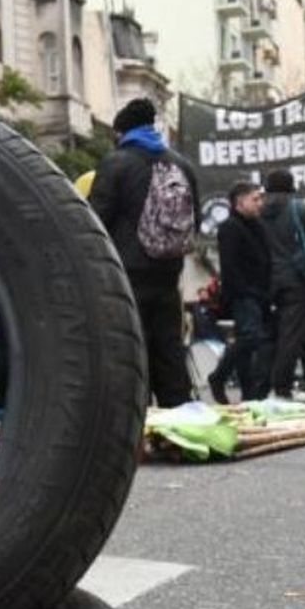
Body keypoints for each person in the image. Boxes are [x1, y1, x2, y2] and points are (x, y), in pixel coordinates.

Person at [88, 98, 200, 409]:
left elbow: (96, 220)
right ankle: (178, 412)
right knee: (168, 344)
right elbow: (196, 221)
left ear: (121, 131)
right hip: (168, 270)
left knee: (131, 343)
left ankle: (135, 413)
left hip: (127, 271)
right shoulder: (182, 165)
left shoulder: (116, 163)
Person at [260, 168, 305, 400]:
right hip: (297, 279)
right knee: (292, 334)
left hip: (267, 282)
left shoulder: (259, 211)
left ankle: (264, 384)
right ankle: (282, 387)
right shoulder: (299, 208)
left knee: (271, 335)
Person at [206, 181, 270, 403]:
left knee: (249, 341)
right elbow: (230, 265)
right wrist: (243, 291)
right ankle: (219, 376)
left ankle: (249, 392)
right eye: (255, 199)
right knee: (249, 338)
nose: (260, 203)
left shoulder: (258, 226)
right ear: (239, 201)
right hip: (243, 293)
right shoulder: (230, 227)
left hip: (259, 293)